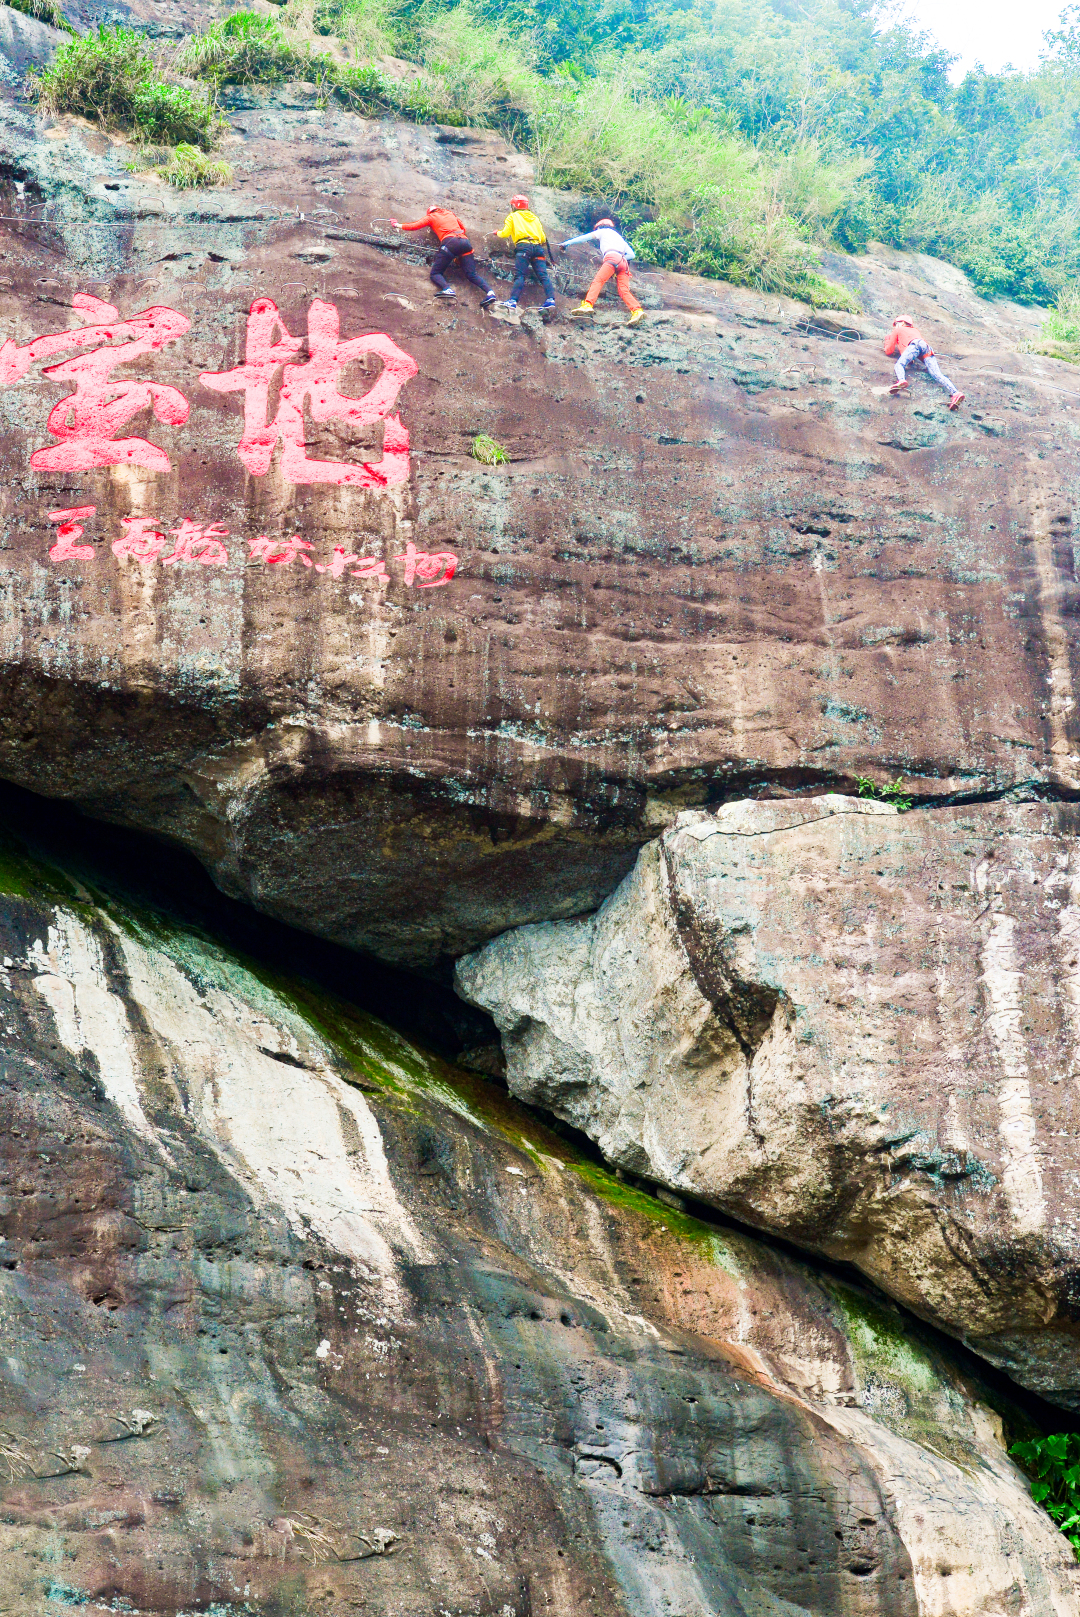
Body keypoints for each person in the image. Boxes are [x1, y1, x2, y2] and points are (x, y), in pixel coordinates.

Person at [390, 205, 496, 305]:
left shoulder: (431, 217)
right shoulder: (449, 213)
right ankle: (490, 293)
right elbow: (463, 228)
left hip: (450, 242)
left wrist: (397, 225)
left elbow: (414, 226)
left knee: (435, 273)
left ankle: (447, 289)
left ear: (429, 212)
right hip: (465, 242)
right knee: (471, 274)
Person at [559, 218, 644, 325]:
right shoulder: (620, 238)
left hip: (611, 258)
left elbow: (584, 238)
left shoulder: (602, 231)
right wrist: (619, 261)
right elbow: (632, 255)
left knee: (598, 281)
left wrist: (566, 243)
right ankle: (637, 310)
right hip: (623, 263)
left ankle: (588, 305)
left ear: (600, 227)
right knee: (623, 290)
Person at [884, 315, 964, 409]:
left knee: (899, 364)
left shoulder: (898, 330)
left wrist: (887, 341)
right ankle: (955, 393)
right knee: (937, 374)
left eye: (896, 324)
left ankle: (901, 380)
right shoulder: (915, 331)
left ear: (902, 323)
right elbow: (907, 351)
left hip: (915, 345)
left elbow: (889, 350)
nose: (895, 326)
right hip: (926, 348)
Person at [495, 195, 556, 311]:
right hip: (538, 248)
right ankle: (550, 300)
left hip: (523, 248)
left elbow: (505, 233)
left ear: (514, 206)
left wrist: (497, 232)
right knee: (543, 276)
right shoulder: (534, 218)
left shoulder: (512, 216)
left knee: (520, 275)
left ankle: (513, 301)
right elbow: (543, 238)